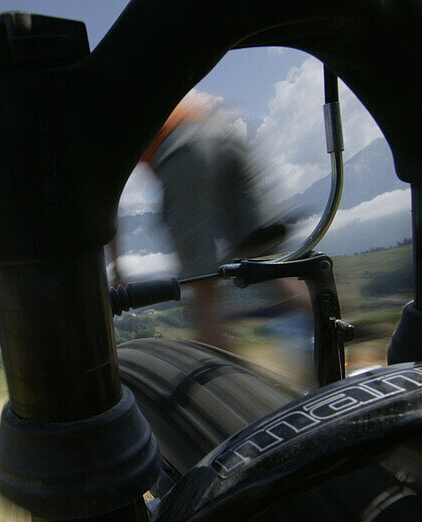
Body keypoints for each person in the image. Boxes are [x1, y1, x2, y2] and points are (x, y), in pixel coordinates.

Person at [110, 96, 310, 349]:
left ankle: (231, 384)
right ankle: (332, 343)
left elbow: (107, 203)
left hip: (183, 153)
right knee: (266, 263)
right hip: (223, 135)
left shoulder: (92, 120)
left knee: (203, 294)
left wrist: (117, 270)